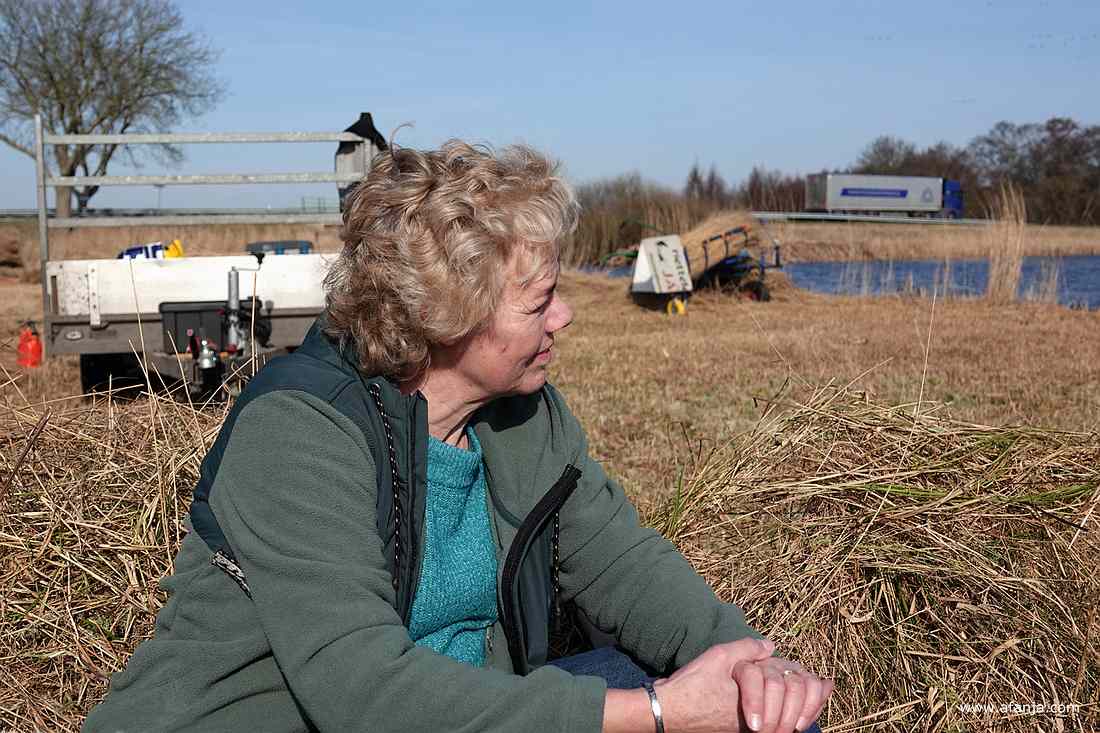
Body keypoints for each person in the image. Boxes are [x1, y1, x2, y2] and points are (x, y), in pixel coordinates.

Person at [84, 141, 833, 733]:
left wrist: (750, 668)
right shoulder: (298, 433)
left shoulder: (523, 417)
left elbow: (627, 565)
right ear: (449, 316)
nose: (564, 317)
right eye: (539, 302)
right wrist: (660, 714)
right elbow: (365, 693)